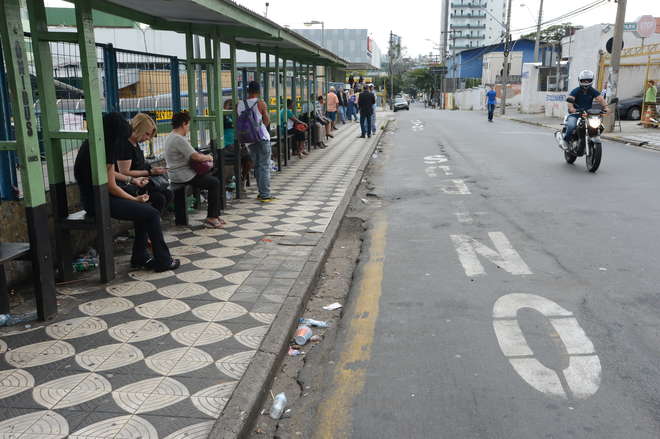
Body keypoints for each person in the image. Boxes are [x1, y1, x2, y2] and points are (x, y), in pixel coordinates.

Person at [74, 113, 179, 272]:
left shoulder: (91, 145)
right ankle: (163, 260)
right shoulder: (104, 148)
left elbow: (109, 175)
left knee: (147, 210)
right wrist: (134, 199)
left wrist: (131, 183)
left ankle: (140, 256)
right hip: (99, 200)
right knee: (150, 213)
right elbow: (112, 186)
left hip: (96, 197)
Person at [164, 111, 225, 227]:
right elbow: (195, 156)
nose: (188, 128)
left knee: (211, 178)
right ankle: (212, 217)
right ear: (183, 124)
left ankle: (215, 214)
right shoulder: (178, 139)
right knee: (214, 183)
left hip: (176, 173)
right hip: (183, 175)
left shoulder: (171, 136)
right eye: (188, 125)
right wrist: (208, 157)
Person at [115, 113, 172, 213]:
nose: (148, 138)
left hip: (141, 182)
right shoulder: (125, 144)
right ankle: (151, 221)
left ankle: (153, 221)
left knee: (168, 193)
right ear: (138, 129)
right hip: (130, 185)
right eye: (147, 134)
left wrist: (153, 170)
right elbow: (124, 172)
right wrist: (150, 172)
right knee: (160, 198)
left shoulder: (135, 142)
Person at [237, 81, 274, 202]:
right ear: (259, 91)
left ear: (248, 91)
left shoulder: (240, 104)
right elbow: (267, 121)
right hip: (262, 137)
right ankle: (265, 194)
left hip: (249, 140)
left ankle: (261, 192)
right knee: (264, 166)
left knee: (258, 166)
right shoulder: (261, 103)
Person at [563, 70, 609, 149]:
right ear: (580, 80)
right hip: (575, 114)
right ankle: (566, 141)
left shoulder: (592, 91)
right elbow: (570, 100)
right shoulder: (576, 90)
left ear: (591, 80)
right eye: (584, 80)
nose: (586, 82)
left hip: (588, 114)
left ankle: (591, 138)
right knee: (571, 126)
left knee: (600, 126)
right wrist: (571, 108)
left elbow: (600, 99)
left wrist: (606, 107)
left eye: (588, 80)